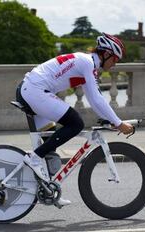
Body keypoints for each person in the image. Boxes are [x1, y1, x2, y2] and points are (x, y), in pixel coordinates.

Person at [16, 33, 133, 206]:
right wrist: (118, 123)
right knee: (75, 123)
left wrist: (110, 119)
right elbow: (97, 99)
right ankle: (33, 158)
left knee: (50, 142)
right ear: (106, 54)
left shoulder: (87, 64)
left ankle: (49, 190)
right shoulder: (87, 63)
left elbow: (95, 99)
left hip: (31, 90)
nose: (115, 64)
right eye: (115, 59)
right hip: (35, 91)